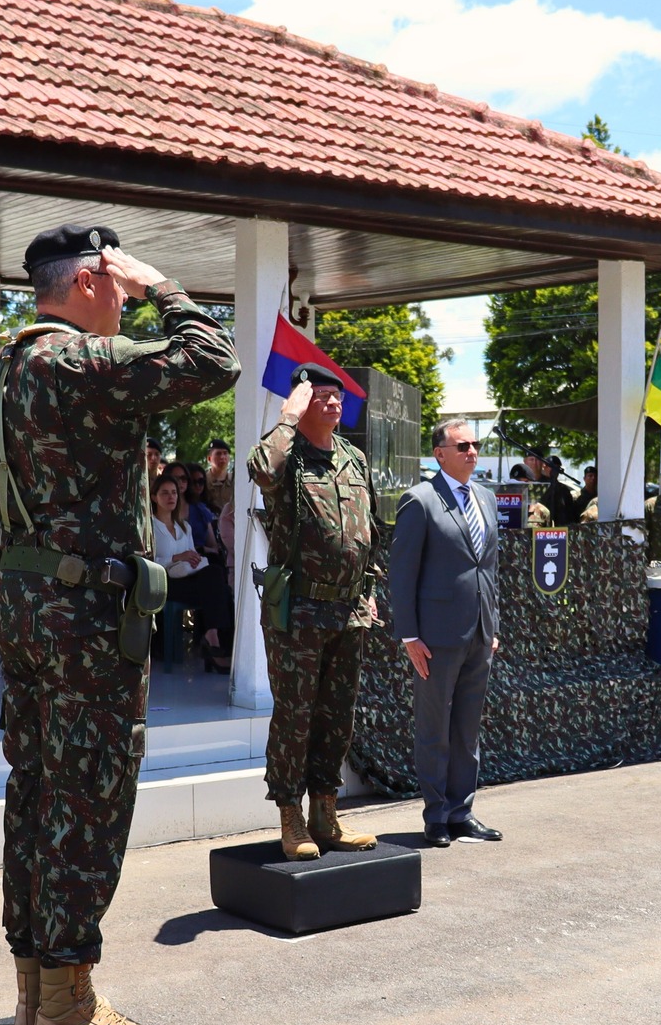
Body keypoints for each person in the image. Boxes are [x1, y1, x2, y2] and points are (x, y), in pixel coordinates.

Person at [0, 224, 238, 1025]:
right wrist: (162, 286)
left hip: (27, 607)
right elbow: (214, 358)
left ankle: (33, 994)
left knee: (36, 792)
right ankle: (68, 1007)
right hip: (87, 616)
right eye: (115, 284)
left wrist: (16, 597)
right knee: (90, 795)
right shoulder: (79, 362)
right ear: (86, 282)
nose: (124, 300)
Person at [249, 364, 382, 858]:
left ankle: (326, 814)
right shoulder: (286, 455)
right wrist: (287, 418)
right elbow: (262, 470)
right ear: (302, 403)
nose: (333, 403)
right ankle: (291, 817)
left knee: (337, 717)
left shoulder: (353, 457)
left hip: (348, 610)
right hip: (299, 610)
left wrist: (369, 587)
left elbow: (368, 529)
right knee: (295, 717)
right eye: (320, 395)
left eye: (336, 396)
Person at [390, 416, 502, 849]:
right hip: (434, 638)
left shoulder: (486, 498)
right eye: (463, 446)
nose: (472, 452)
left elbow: (489, 569)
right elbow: (402, 573)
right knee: (434, 729)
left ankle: (461, 813)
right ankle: (436, 816)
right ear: (440, 454)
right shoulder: (420, 500)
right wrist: (409, 636)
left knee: (467, 731)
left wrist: (492, 625)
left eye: (475, 445)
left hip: (479, 633)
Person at [153, 475, 232, 672]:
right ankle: (216, 644)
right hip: (165, 581)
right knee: (218, 586)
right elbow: (149, 561)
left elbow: (191, 554)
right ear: (154, 497)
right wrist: (177, 557)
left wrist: (193, 558)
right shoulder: (150, 527)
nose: (171, 497)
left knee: (216, 577)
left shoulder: (184, 526)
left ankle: (214, 638)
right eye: (165, 493)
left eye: (174, 493)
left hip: (188, 577)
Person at [204, 438, 234, 514]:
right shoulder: (203, 481)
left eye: (225, 453)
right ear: (209, 458)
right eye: (218, 454)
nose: (222, 457)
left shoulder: (234, 480)